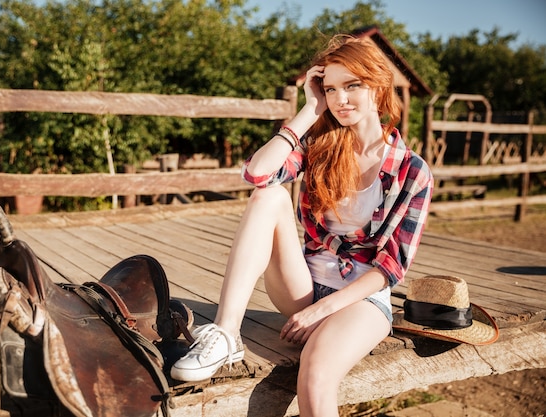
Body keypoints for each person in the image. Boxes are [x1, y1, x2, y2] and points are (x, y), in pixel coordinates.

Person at [171, 34, 433, 416]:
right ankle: (227, 333)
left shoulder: (413, 171)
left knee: (314, 377)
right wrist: (309, 110)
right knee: (269, 195)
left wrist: (321, 312)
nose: (340, 99)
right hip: (304, 285)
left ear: (376, 86)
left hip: (360, 299)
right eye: (330, 89)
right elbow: (257, 174)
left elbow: (390, 268)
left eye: (352, 86)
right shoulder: (320, 147)